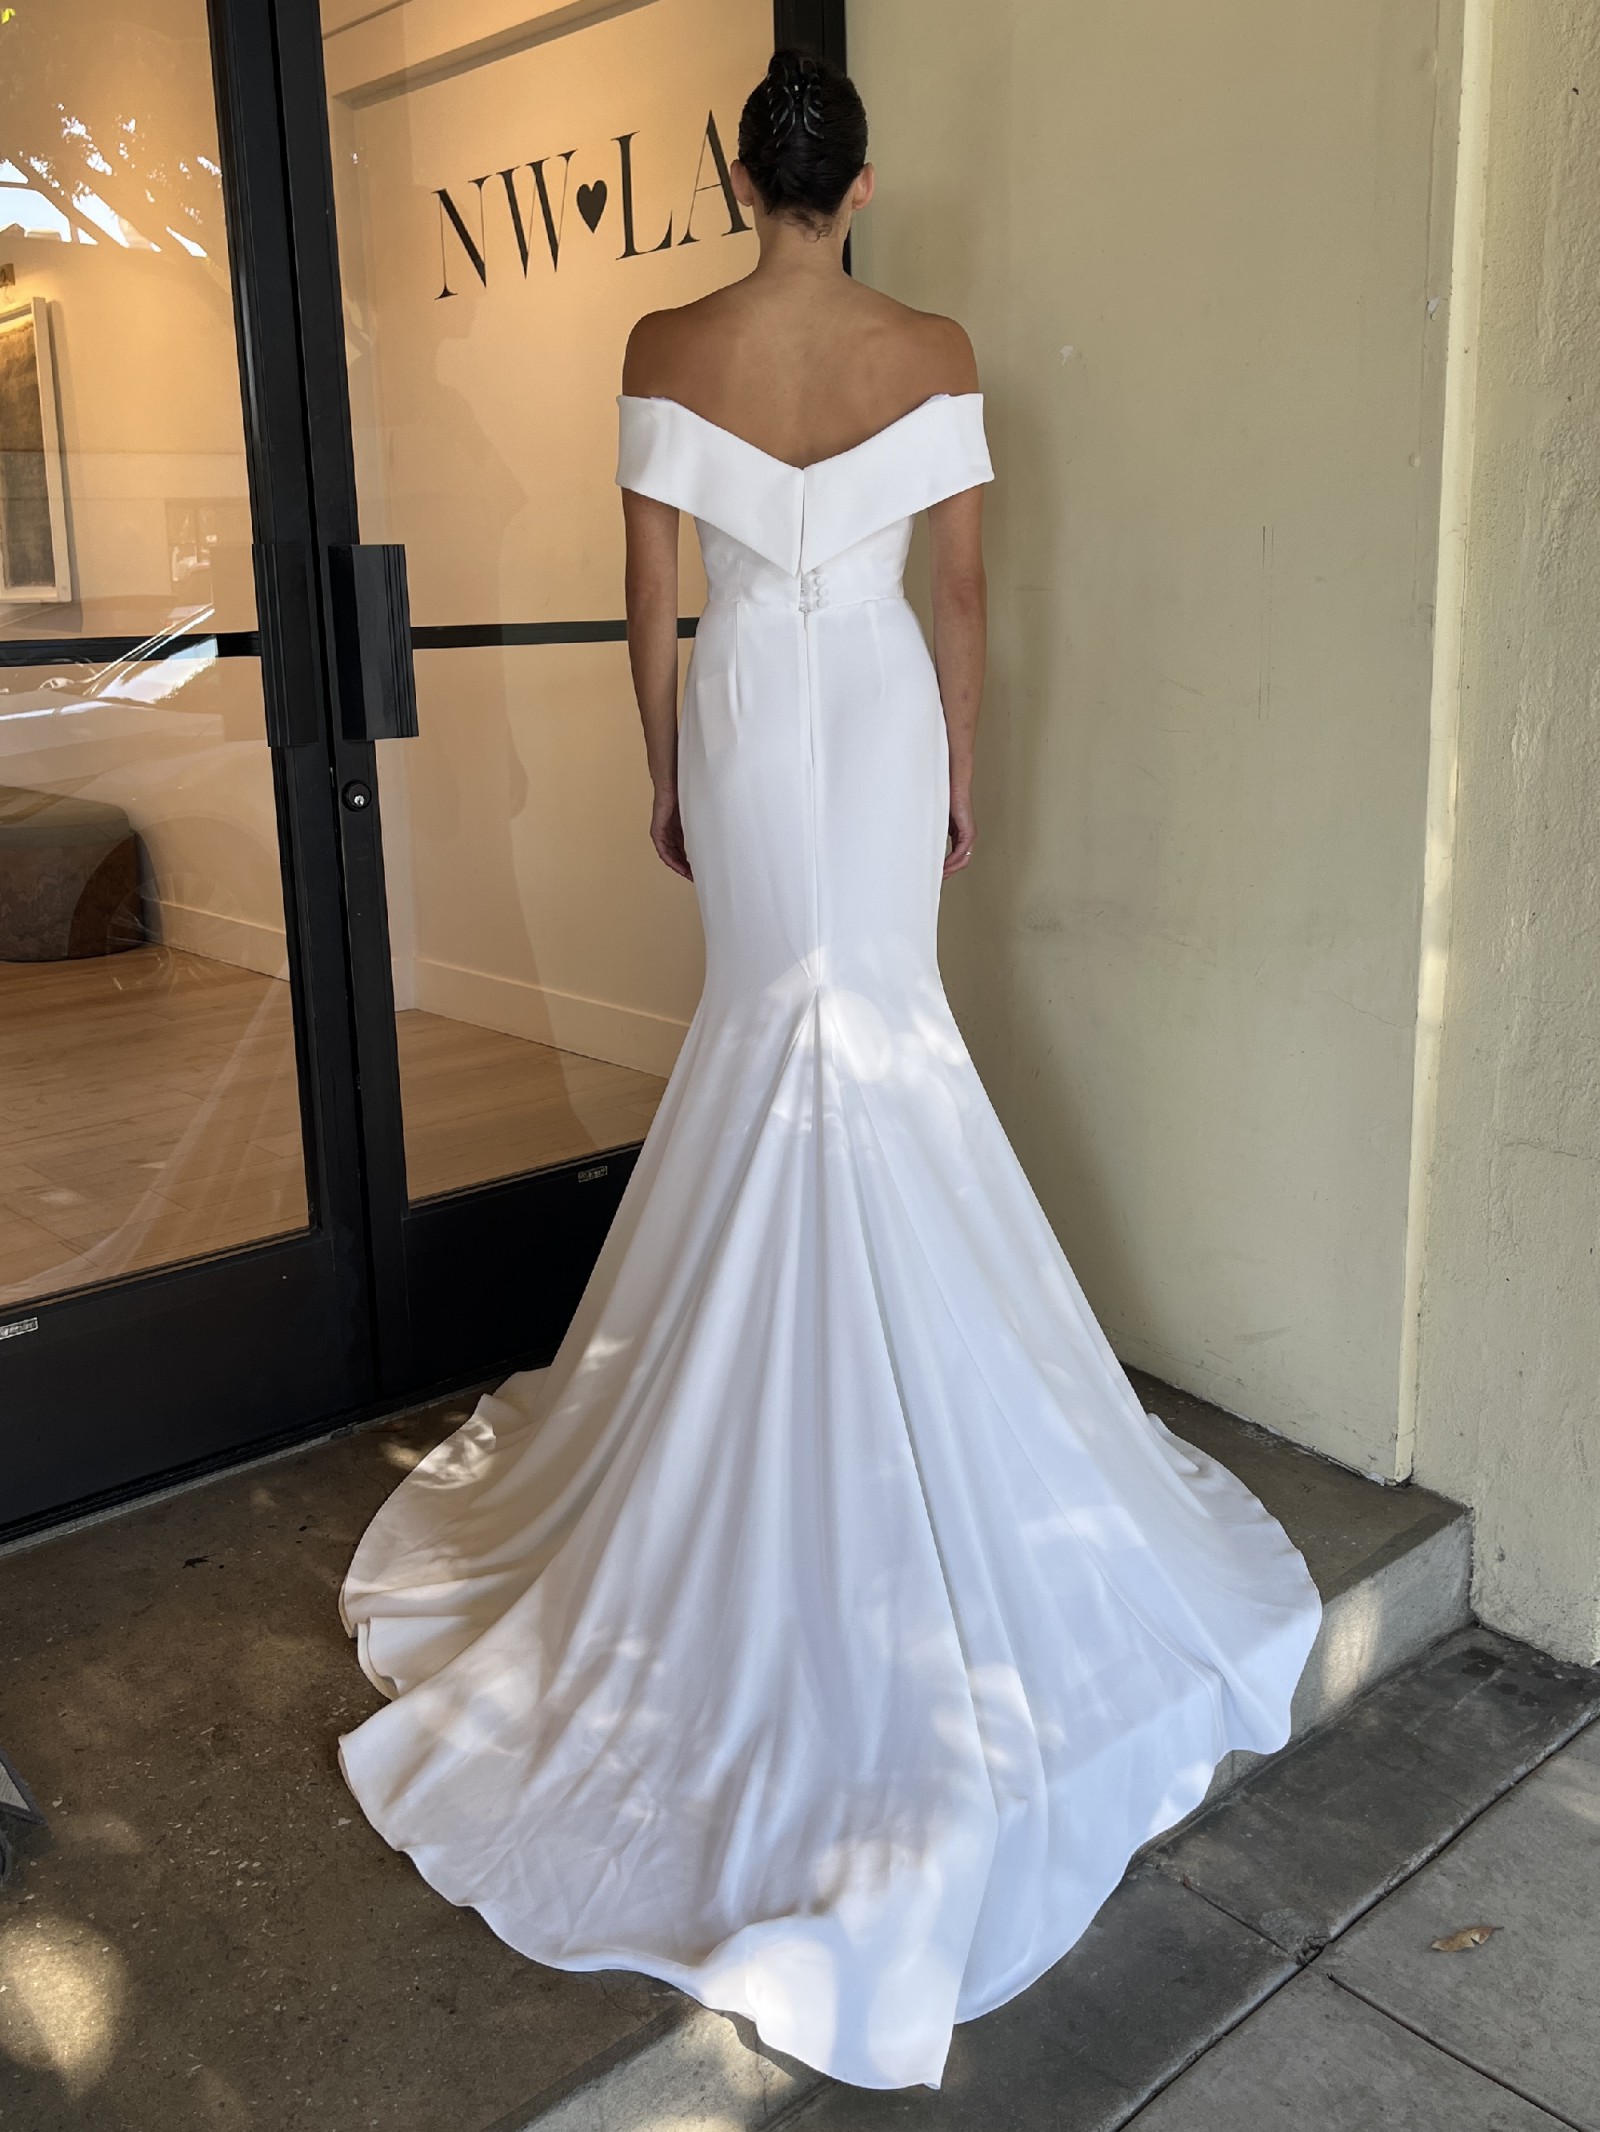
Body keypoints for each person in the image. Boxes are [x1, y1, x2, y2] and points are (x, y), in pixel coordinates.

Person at [337, 49, 1322, 2094]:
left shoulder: (660, 342)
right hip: (871, 711)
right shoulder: (929, 347)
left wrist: (661, 766)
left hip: (748, 719)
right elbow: (958, 589)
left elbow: (648, 597)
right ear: (856, 184)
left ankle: (754, 1423)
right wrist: (957, 774)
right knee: (871, 1035)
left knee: (770, 1027)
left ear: (740, 175)